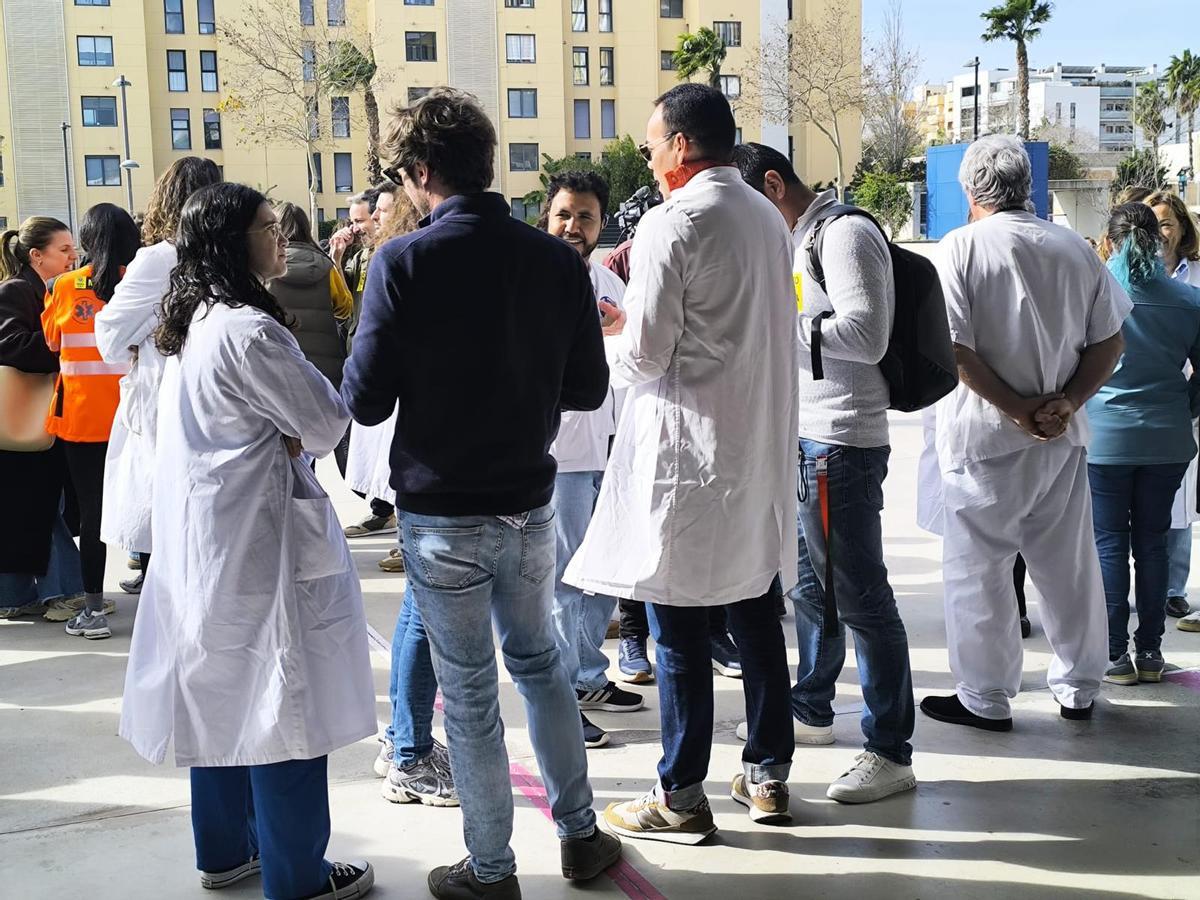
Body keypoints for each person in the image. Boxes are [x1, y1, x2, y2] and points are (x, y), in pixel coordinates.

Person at [342, 87, 621, 899]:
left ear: (422, 171)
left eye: (401, 176)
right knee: (541, 667)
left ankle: (492, 869)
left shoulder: (404, 261)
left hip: (443, 513)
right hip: (528, 503)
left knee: (469, 692)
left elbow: (365, 400)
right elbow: (587, 388)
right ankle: (580, 835)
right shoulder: (552, 260)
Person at [119, 182, 376, 900]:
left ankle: (226, 851)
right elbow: (325, 420)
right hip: (255, 544)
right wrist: (293, 429)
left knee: (220, 690)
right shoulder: (250, 331)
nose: (281, 239)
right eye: (268, 227)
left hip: (209, 541)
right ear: (236, 243)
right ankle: (298, 875)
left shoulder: (197, 321)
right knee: (281, 706)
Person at [564, 86, 798, 841]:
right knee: (757, 613)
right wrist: (638, 325)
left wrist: (609, 337)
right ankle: (766, 775)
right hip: (753, 445)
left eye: (650, 144)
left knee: (679, 631)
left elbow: (651, 354)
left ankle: (681, 795)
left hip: (687, 453)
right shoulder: (765, 215)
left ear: (683, 146)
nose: (648, 157)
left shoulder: (674, 221)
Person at [921, 135, 1130, 731]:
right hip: (1059, 441)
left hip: (985, 440)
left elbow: (954, 347)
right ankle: (1079, 687)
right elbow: (1110, 341)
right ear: (1028, 188)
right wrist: (1064, 404)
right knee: (1069, 566)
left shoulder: (958, 249)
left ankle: (985, 698)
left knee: (979, 571)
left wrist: (1016, 408)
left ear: (970, 192)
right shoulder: (1074, 248)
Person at [732, 141, 916, 804]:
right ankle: (810, 707)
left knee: (863, 598)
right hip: (809, 439)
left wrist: (778, 323)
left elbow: (867, 335)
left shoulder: (843, 235)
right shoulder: (801, 238)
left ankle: (891, 748)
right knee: (812, 591)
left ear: (773, 185)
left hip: (842, 442)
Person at [536, 170, 642, 750]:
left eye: (586, 218)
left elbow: (631, 358)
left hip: (609, 446)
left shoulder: (609, 283)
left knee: (602, 572)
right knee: (563, 578)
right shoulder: (531, 280)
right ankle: (566, 691)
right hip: (561, 452)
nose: (573, 227)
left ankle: (588, 674)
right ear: (546, 217)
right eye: (564, 215)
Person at [96, 156, 222, 595]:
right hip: (216, 402)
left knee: (168, 518)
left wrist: (137, 341)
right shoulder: (228, 256)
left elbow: (110, 335)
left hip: (165, 402)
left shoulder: (159, 257)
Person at [1087, 202, 1200, 684]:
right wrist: (1184, 407)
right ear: (1159, 240)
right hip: (1166, 436)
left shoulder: (1092, 295)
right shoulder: (1187, 300)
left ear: (1109, 241)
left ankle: (1114, 655)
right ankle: (1150, 652)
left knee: (1108, 543)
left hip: (1103, 435)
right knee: (1152, 542)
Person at [41, 204, 141, 639]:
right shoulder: (139, 283)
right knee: (146, 503)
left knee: (91, 516)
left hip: (82, 420)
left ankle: (94, 611)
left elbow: (51, 339)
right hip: (135, 419)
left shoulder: (63, 286)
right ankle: (155, 592)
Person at [0, 217, 86, 620]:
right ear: (37, 255)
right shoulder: (17, 291)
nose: (74, 256)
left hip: (33, 417)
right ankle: (66, 591)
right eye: (64, 250)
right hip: (28, 418)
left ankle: (17, 595)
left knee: (28, 506)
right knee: (42, 504)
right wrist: (62, 343)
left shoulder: (46, 291)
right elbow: (11, 345)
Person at [1145, 191, 1200, 629]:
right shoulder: (1128, 275)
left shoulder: (1196, 276)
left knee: (1181, 500)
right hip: (1144, 401)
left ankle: (1173, 590)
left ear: (1182, 230)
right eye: (1152, 224)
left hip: (1190, 403)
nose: (1160, 233)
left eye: (1166, 223)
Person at [335, 186, 399, 540]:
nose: (362, 225)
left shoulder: (392, 256)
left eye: (368, 217)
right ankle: (383, 511)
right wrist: (339, 256)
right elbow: (344, 302)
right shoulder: (362, 256)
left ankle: (388, 514)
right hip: (356, 350)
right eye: (357, 220)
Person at [268, 202, 352, 390]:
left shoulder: (266, 269)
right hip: (326, 370)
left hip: (281, 365)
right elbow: (345, 310)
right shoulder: (326, 266)